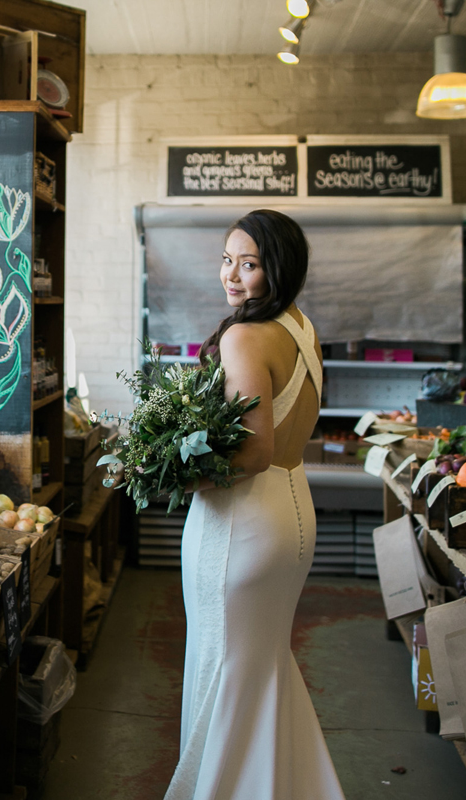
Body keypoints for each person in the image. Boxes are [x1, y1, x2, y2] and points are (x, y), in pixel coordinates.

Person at [165, 209, 345, 800]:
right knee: (259, 669)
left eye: (250, 263)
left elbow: (252, 452)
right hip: (292, 512)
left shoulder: (245, 336)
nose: (232, 276)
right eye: (227, 259)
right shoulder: (300, 327)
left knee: (223, 669)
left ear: (279, 268)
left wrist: (169, 473)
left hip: (240, 524)